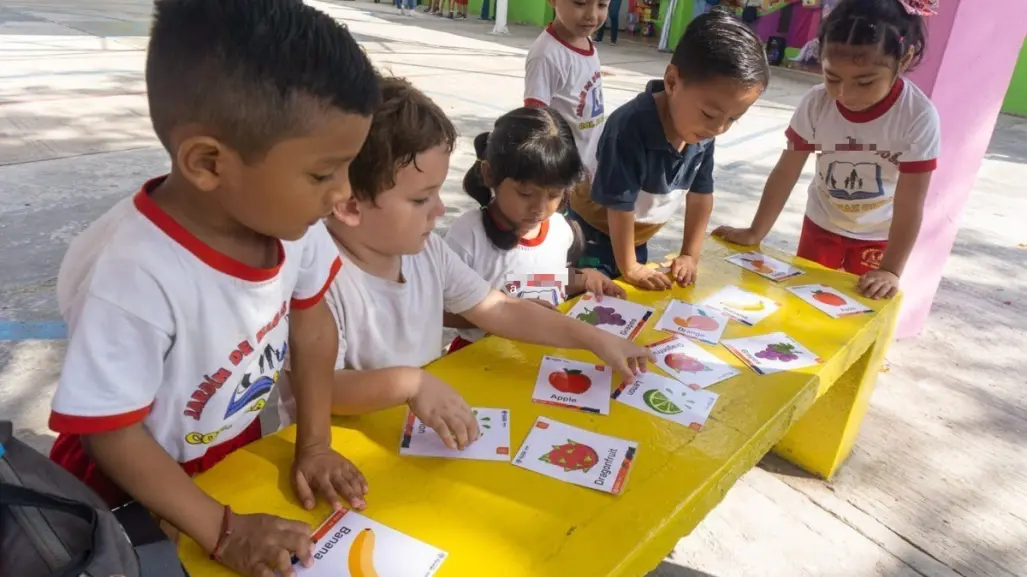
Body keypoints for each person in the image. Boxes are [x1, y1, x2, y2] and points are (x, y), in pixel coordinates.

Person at [46, 1, 381, 576]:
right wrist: (222, 533)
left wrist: (316, 443)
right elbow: (112, 434)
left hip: (232, 452)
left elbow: (312, 322)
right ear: (207, 162)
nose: (342, 192)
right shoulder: (130, 273)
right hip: (128, 489)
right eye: (323, 173)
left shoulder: (289, 225)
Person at [276, 78, 652, 452]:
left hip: (414, 436)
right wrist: (412, 384)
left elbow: (500, 309)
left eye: (438, 193)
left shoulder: (426, 253)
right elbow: (319, 387)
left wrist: (596, 339)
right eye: (422, 199)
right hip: (338, 450)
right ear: (350, 205)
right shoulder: (315, 277)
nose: (440, 210)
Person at [714, 0, 940, 299]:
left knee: (859, 309)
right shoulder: (816, 102)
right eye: (832, 77)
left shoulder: (917, 116)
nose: (844, 94)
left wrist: (891, 269)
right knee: (806, 302)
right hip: (821, 224)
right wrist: (756, 231)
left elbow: (911, 203)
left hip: (878, 237)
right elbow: (786, 171)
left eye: (865, 81)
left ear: (905, 59)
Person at [568, 9, 770, 289]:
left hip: (637, 236)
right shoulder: (629, 126)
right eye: (711, 114)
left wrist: (689, 254)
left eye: (733, 119)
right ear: (672, 81)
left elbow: (701, 196)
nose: (720, 129)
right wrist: (629, 267)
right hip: (592, 234)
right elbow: (619, 205)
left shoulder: (702, 133)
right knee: (591, 298)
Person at [445, 106, 624, 352]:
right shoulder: (468, 235)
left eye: (554, 194)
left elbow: (543, 279)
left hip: (542, 355)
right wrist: (509, 312)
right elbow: (439, 311)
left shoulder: (559, 230)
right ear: (489, 174)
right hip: (478, 356)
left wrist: (583, 278)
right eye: (525, 193)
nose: (540, 209)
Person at [524, 0, 609, 176]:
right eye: (580, 3)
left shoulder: (585, 39)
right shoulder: (546, 56)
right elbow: (536, 123)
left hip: (592, 167)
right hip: (566, 174)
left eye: (602, 5)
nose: (592, 15)